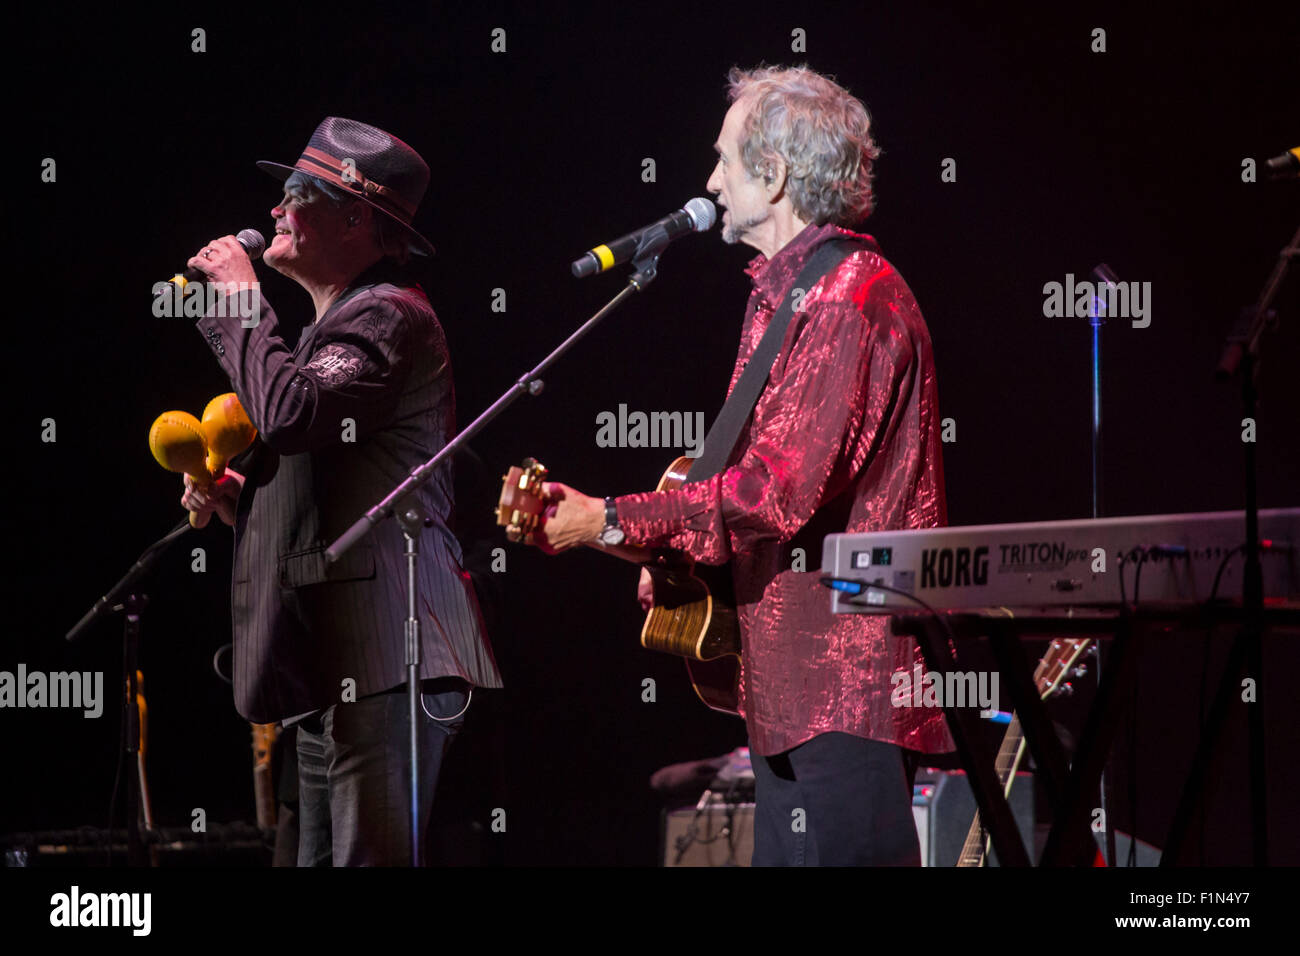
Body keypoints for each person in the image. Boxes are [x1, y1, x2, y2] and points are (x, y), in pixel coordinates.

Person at [535, 66, 953, 865]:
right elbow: (761, 487)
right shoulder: (790, 292)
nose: (709, 181)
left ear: (777, 172)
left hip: (846, 677)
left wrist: (611, 516)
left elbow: (776, 493)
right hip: (792, 682)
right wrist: (671, 554)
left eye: (725, 160)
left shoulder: (845, 299)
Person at [181, 117, 502, 866]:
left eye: (296, 194)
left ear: (356, 217)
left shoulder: (389, 314)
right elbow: (331, 481)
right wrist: (239, 498)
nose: (274, 211)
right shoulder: (334, 330)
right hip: (338, 662)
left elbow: (289, 413)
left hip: (393, 652)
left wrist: (236, 296)